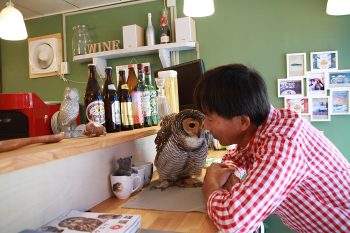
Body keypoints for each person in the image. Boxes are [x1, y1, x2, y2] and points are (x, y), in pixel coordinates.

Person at [193, 64, 350, 233]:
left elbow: (233, 221)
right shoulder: (263, 126)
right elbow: (237, 156)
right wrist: (232, 171)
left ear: (243, 122)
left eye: (210, 118)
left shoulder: (283, 144)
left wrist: (211, 186)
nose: (205, 126)